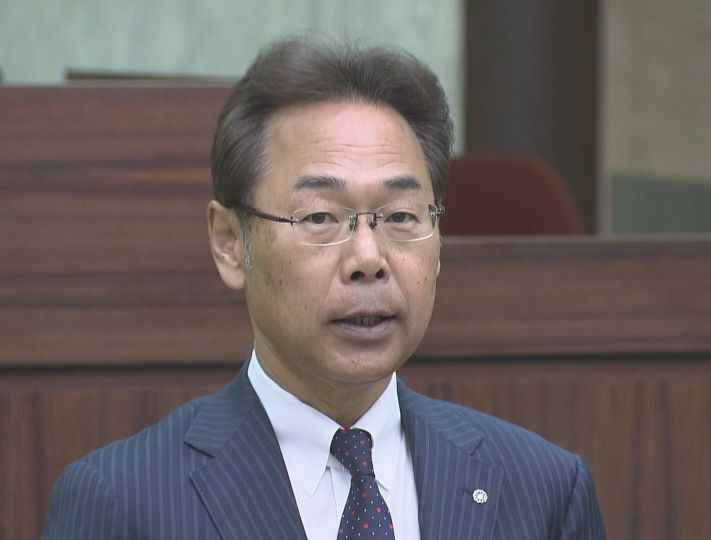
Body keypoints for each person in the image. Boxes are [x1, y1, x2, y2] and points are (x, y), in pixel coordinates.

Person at [43, 36, 605, 539]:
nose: (368, 258)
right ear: (230, 242)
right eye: (319, 217)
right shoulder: (123, 504)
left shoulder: (543, 493)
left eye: (400, 216)